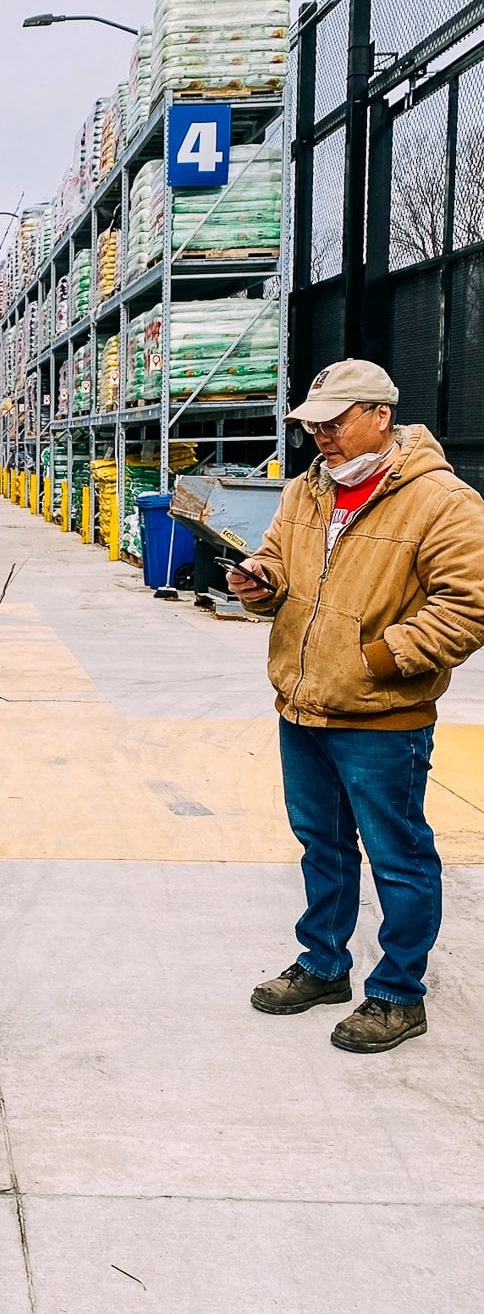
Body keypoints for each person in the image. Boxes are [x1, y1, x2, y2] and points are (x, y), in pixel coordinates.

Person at [226, 359, 484, 1052]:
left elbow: (468, 605)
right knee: (323, 847)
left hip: (381, 719)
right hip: (303, 707)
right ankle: (323, 963)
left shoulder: (442, 501)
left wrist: (378, 660)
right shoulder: (306, 492)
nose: (322, 438)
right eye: (314, 425)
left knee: (398, 855)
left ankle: (399, 992)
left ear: (379, 414)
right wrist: (261, 582)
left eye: (334, 423)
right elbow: (280, 561)